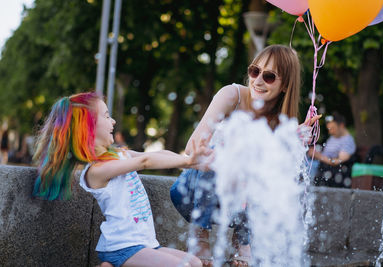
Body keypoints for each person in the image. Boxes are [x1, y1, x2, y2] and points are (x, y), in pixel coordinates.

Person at [170, 44, 321, 267]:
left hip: (236, 208)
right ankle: (199, 235)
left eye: (269, 76)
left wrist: (289, 145)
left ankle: (242, 240)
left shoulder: (280, 121)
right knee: (220, 151)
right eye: (254, 71)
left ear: (284, 85)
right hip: (193, 195)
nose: (258, 81)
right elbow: (192, 148)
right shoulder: (232, 95)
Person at [32, 92, 211, 267]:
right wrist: (187, 161)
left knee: (194, 262)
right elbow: (145, 162)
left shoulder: (118, 154)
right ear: (89, 127)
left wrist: (193, 163)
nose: (113, 121)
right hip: (122, 247)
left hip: (144, 243)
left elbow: (155, 154)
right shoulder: (96, 171)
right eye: (107, 116)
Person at [308, 111, 356, 188]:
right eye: (329, 129)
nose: (330, 132)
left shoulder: (348, 141)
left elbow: (337, 162)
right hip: (320, 166)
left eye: (333, 128)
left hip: (328, 171)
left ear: (341, 125)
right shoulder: (334, 137)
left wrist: (318, 156)